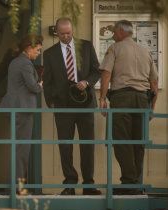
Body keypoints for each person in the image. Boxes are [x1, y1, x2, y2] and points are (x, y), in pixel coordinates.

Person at [43, 17, 101, 196]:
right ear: (57, 33)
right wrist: (52, 101)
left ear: (72, 30)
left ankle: (88, 184)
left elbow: (96, 70)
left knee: (87, 145)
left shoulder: (86, 46)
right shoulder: (49, 53)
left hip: (85, 103)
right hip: (63, 106)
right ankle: (69, 183)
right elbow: (48, 81)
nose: (66, 37)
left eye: (68, 33)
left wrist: (87, 82)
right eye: (62, 34)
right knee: (65, 145)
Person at [99, 20, 158, 195]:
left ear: (121, 32)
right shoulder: (145, 51)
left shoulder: (115, 49)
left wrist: (102, 98)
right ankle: (135, 183)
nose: (113, 36)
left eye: (115, 32)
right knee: (138, 142)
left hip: (122, 98)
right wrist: (151, 107)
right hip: (142, 99)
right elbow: (154, 83)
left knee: (121, 140)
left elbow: (106, 74)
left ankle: (128, 183)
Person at [0, 35, 43, 189]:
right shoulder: (25, 63)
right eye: (37, 50)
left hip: (15, 109)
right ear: (29, 48)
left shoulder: (15, 62)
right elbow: (33, 87)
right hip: (22, 109)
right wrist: (40, 85)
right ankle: (18, 186)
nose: (38, 53)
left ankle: (15, 184)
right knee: (22, 149)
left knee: (17, 147)